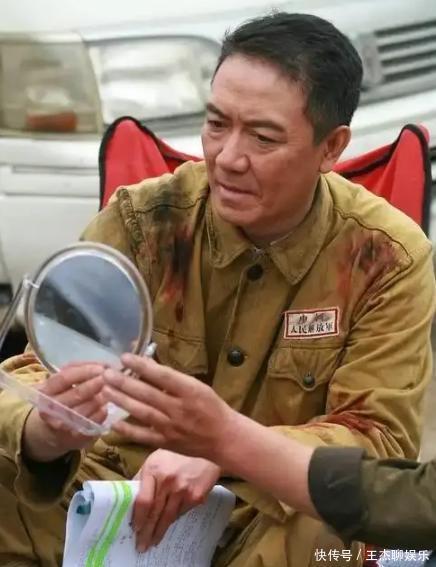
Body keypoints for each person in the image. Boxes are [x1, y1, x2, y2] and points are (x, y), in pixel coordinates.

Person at [0, 11, 434, 567]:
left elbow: (379, 446)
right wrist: (47, 430)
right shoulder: (144, 221)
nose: (228, 158)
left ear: (331, 148)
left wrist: (229, 449)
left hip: (268, 514)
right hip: (116, 495)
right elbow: (33, 372)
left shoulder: (384, 258)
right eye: (216, 124)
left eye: (263, 137)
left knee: (337, 531)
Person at [102, 353, 436, 558]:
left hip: (265, 521)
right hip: (126, 486)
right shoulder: (147, 255)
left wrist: (225, 444)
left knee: (323, 533)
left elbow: (398, 476)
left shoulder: (384, 265)